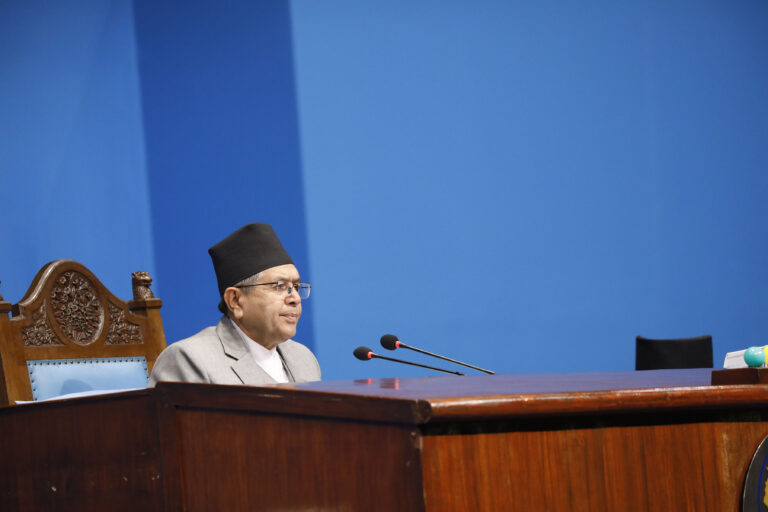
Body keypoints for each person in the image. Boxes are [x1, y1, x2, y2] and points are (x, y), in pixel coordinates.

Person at [149, 223, 321, 386]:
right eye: (279, 286)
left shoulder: (304, 358)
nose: (295, 298)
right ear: (235, 301)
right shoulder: (189, 360)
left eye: (296, 287)